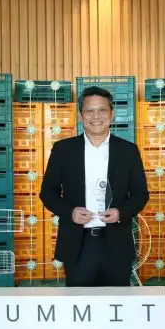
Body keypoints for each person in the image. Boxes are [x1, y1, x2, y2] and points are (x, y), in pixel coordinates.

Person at [39, 86, 149, 287]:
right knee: (79, 302)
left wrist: (121, 212)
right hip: (77, 244)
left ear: (112, 114)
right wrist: (70, 212)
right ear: (81, 115)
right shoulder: (63, 150)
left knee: (117, 302)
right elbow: (47, 192)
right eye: (89, 111)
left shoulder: (128, 151)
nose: (96, 116)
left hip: (116, 243)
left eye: (102, 110)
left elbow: (141, 194)